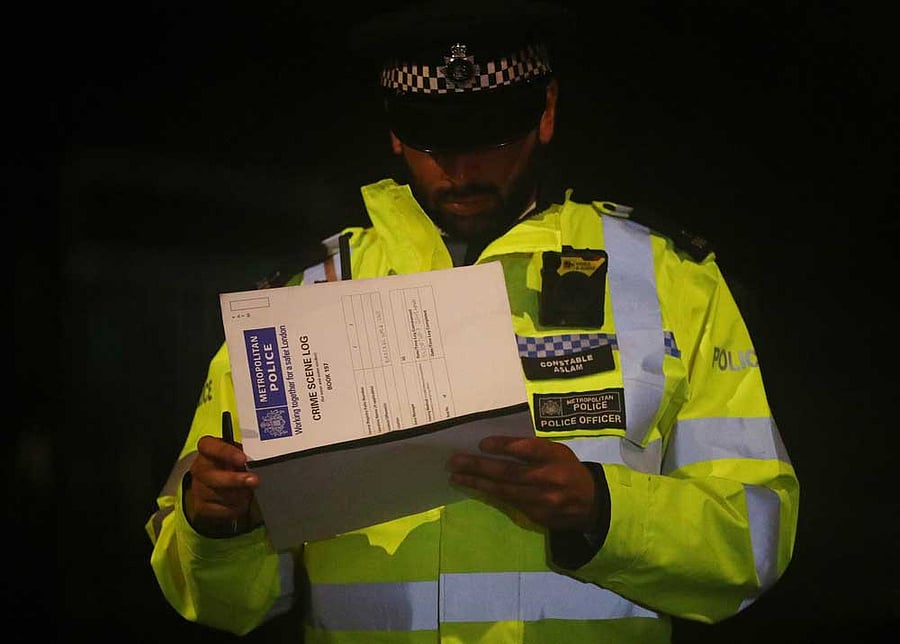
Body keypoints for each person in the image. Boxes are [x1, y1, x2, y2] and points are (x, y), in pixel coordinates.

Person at [146, 2, 800, 642]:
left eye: (489, 133)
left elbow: (756, 538)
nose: (460, 169)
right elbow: (217, 602)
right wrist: (215, 527)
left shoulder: (667, 279)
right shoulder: (297, 303)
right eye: (433, 136)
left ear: (545, 112)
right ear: (395, 131)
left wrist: (602, 511)